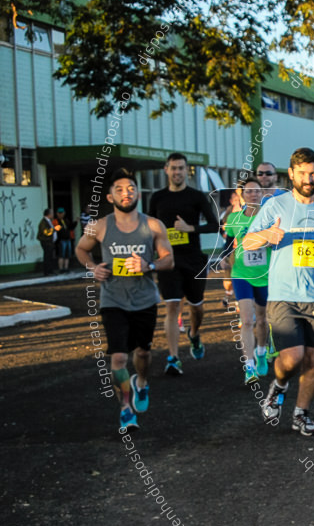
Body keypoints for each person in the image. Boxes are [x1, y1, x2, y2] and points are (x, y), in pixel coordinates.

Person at [243, 147, 314, 436]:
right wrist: (266, 235)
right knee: (292, 357)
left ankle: (301, 414)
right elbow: (246, 243)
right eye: (303, 173)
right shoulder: (274, 205)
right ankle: (279, 385)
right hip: (284, 295)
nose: (309, 178)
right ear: (292, 174)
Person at [75, 169, 174, 429]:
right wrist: (92, 268)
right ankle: (125, 407)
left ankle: (141, 383)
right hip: (113, 300)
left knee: (143, 352)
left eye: (130, 188)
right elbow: (81, 249)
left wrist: (148, 265)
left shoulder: (153, 225)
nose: (126, 193)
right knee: (118, 358)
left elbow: (168, 260)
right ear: (110, 197)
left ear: (138, 193)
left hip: (144, 299)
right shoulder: (99, 226)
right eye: (119, 189)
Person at [148, 153, 220, 375]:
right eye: (173, 168)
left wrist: (190, 229)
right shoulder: (157, 198)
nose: (177, 172)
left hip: (193, 259)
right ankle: (173, 357)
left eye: (181, 168)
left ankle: (194, 334)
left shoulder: (197, 196)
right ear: (166, 170)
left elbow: (214, 225)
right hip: (168, 261)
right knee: (171, 305)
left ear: (186, 171)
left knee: (196, 307)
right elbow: (149, 227)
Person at [221, 179, 271, 384]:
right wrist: (224, 257)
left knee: (263, 319)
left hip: (265, 275)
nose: (253, 195)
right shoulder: (234, 218)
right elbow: (228, 242)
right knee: (247, 319)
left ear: (262, 194)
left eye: (257, 191)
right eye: (249, 191)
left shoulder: (269, 217)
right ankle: (249, 367)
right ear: (242, 195)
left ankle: (261, 351)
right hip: (241, 273)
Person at [54, 208, 76, 273]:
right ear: (57, 214)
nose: (61, 214)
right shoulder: (56, 221)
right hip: (61, 239)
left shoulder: (66, 220)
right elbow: (56, 229)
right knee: (61, 255)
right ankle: (61, 268)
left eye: (62, 213)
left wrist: (75, 222)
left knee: (67, 255)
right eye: (59, 213)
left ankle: (66, 268)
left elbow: (70, 227)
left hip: (67, 239)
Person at [37, 208, 57, 276]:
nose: (53, 214)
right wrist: (54, 229)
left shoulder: (48, 221)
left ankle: (50, 270)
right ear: (49, 214)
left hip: (50, 241)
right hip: (46, 241)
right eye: (52, 213)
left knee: (50, 256)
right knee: (47, 256)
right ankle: (47, 271)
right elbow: (46, 232)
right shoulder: (43, 222)